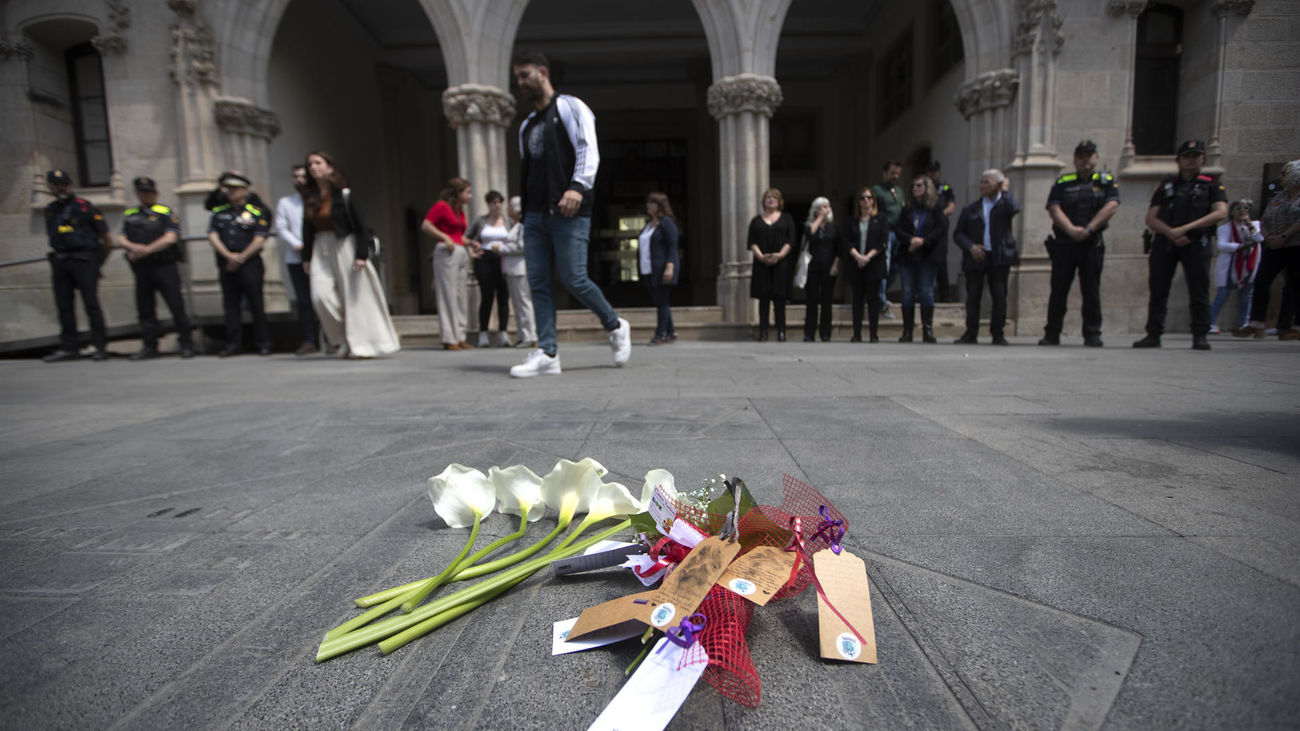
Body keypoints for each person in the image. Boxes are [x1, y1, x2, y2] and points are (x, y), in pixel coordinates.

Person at [508, 50, 631, 377]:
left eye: (524, 75)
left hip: (569, 210)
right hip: (535, 215)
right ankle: (547, 352)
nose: (519, 82)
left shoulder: (569, 107)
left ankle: (615, 324)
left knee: (574, 278)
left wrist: (578, 186)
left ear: (543, 73)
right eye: (517, 77)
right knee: (537, 282)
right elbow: (533, 171)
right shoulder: (527, 126)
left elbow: (587, 148)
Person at [301, 150, 400, 359]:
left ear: (329, 167)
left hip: (344, 244)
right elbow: (307, 229)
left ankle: (360, 343)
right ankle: (342, 338)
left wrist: (361, 254)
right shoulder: (310, 197)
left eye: (318, 163)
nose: (313, 167)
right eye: (310, 164)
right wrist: (307, 258)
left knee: (354, 297)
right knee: (320, 296)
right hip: (320, 246)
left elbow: (361, 226)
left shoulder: (344, 195)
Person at [1134, 139, 1228, 350]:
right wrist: (1171, 232)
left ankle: (1200, 335)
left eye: (1195, 156)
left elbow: (1220, 212)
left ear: (1202, 158)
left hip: (1196, 242)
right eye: (1187, 156)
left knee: (1199, 290)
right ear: (1179, 160)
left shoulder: (1211, 184)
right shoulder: (1167, 185)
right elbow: (1151, 217)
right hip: (1166, 243)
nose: (1191, 161)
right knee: (1158, 290)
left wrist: (1187, 229)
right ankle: (1153, 333)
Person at [1041, 140, 1120, 347]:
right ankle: (1052, 333)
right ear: (1075, 159)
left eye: (1089, 155)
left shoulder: (1106, 181)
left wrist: (1089, 229)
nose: (1085, 159)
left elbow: (1111, 206)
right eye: (1081, 156)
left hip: (1091, 243)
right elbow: (1053, 208)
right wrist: (1071, 230)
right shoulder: (1063, 182)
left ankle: (1092, 333)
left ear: (1096, 158)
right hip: (1065, 243)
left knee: (1091, 289)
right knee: (1058, 289)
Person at [41, 169, 112, 362]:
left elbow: (106, 239)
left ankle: (100, 346)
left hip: (84, 260)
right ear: (50, 187)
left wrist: (98, 264)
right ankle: (69, 347)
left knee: (91, 305)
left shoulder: (84, 207)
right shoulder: (50, 210)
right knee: (64, 306)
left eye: (63, 184)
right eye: (56, 185)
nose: (60, 188)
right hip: (61, 261)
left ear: (70, 185)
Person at [118, 176, 194, 360]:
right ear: (137, 193)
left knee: (176, 305)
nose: (146, 195)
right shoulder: (130, 214)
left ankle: (186, 344)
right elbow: (121, 237)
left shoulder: (165, 212)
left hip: (164, 265)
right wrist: (132, 247)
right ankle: (149, 346)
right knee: (145, 308)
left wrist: (146, 250)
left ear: (155, 193)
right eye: (142, 192)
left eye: (149, 192)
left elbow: (170, 238)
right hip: (142, 267)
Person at [952, 169, 1020, 345]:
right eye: (981, 182)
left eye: (986, 182)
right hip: (976, 258)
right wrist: (971, 247)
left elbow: (1015, 208)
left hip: (999, 257)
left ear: (997, 184)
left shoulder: (1005, 204)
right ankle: (971, 333)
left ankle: (998, 333)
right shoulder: (971, 208)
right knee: (973, 295)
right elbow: (958, 234)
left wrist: (1005, 190)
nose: (982, 186)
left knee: (999, 295)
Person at [207, 172, 271, 357]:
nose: (231, 192)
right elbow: (213, 235)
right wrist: (228, 256)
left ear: (244, 191)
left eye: (235, 189)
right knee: (230, 305)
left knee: (256, 304)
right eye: (229, 189)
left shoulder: (256, 211)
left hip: (250, 264)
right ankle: (233, 344)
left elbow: (260, 238)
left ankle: (264, 342)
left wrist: (241, 257)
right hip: (226, 264)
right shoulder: (219, 212)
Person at [1237, 159, 1300, 340]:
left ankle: (1291, 326)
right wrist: (1268, 236)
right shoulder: (1279, 197)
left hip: (1295, 245)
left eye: (1285, 174)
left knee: (1295, 286)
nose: (1281, 178)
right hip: (1274, 245)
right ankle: (1257, 323)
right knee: (1262, 279)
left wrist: (1284, 236)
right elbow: (1265, 218)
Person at [893, 175, 949, 343]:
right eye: (913, 186)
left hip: (927, 255)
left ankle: (927, 330)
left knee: (926, 291)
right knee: (908, 292)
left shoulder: (936, 208)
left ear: (927, 188)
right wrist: (911, 240)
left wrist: (923, 241)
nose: (915, 189)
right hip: (908, 256)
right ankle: (907, 330)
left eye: (918, 185)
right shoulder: (907, 209)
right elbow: (898, 229)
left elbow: (941, 228)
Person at [422, 177, 474, 351]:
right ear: (458, 193)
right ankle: (448, 337)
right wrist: (443, 237)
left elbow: (457, 234)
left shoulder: (459, 211)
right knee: (448, 295)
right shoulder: (441, 206)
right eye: (467, 192)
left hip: (460, 251)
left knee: (460, 295)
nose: (470, 196)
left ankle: (460, 335)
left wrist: (470, 243)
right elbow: (426, 225)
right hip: (446, 252)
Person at [276, 164, 320, 355]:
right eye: (296, 176)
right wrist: (297, 244)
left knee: (323, 298)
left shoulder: (320, 200)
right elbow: (282, 227)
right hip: (296, 258)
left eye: (303, 176)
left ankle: (330, 338)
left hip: (320, 256)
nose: (299, 180)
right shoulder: (286, 203)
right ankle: (309, 340)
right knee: (304, 301)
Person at [748, 188, 797, 342]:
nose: (771, 200)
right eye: (768, 197)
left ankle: (781, 331)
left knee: (779, 300)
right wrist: (761, 256)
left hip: (781, 264)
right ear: (763, 201)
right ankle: (763, 332)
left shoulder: (786, 218)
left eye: (774, 197)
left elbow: (791, 240)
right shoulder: (756, 220)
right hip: (762, 264)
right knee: (764, 300)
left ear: (779, 201)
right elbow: (751, 242)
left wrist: (780, 255)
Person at [841, 186, 889, 343]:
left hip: (873, 264)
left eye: (868, 197)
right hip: (856, 264)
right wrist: (858, 257)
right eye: (862, 198)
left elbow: (883, 242)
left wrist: (867, 257)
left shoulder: (880, 219)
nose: (865, 200)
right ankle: (857, 334)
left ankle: (873, 334)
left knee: (873, 301)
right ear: (858, 202)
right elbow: (847, 242)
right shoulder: (851, 221)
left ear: (873, 201)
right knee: (857, 300)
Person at [465, 190, 512, 348]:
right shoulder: (480, 221)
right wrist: (473, 248)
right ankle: (483, 332)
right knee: (487, 296)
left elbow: (514, 239)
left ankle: (503, 333)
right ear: (488, 204)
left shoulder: (508, 221)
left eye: (499, 202)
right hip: (485, 259)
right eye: (493, 202)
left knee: (503, 297)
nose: (496, 205)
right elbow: (466, 237)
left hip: (503, 259)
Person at [1209, 200, 1262, 334]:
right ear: (1232, 212)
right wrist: (1240, 247)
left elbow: (1259, 238)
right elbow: (1221, 245)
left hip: (1249, 265)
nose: (1242, 211)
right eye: (1239, 208)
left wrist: (1248, 224)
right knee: (1222, 295)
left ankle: (1244, 324)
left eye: (1245, 208)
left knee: (1246, 296)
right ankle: (1209, 323)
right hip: (1230, 266)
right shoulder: (1224, 228)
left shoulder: (1255, 225)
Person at [495, 196, 536, 347]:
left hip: (521, 269)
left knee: (524, 302)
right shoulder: (514, 225)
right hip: (512, 269)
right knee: (518, 304)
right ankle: (522, 334)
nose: (507, 209)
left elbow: (521, 246)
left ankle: (529, 335)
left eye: (510, 206)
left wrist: (501, 249)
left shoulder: (523, 226)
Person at [639, 191, 680, 345]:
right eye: (648, 202)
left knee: (662, 301)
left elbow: (672, 246)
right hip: (648, 269)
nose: (647, 205)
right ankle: (670, 332)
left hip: (662, 268)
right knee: (660, 301)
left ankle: (660, 334)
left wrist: (670, 266)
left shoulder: (666, 223)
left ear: (659, 205)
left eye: (651, 203)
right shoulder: (648, 225)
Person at [801, 196, 840, 342]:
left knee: (826, 301)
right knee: (811, 300)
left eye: (826, 206)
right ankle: (809, 333)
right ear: (815, 210)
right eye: (821, 207)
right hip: (812, 267)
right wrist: (819, 219)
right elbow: (810, 234)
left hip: (829, 267)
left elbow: (838, 249)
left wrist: (836, 265)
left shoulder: (834, 227)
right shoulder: (809, 225)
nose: (824, 209)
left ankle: (825, 333)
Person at [872, 161, 906, 319]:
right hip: (886, 233)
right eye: (892, 173)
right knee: (883, 268)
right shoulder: (877, 191)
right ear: (884, 172)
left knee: (896, 267)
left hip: (899, 233)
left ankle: (881, 295)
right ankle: (881, 303)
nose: (895, 176)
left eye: (898, 173)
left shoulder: (899, 191)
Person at [928, 161, 957, 302]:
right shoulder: (923, 187)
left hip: (940, 229)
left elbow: (951, 207)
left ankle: (944, 294)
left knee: (941, 262)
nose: (933, 174)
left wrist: (939, 217)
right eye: (931, 171)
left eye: (935, 171)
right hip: (926, 229)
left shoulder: (945, 188)